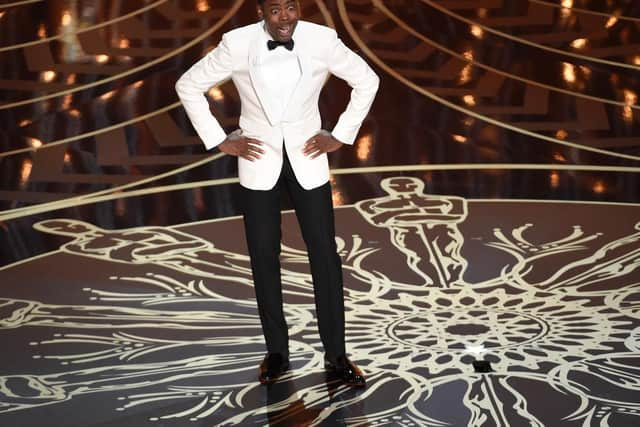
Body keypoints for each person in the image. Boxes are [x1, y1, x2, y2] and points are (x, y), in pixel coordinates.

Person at [175, 0, 379, 387]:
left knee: (324, 254)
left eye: (291, 7)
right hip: (258, 158)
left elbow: (367, 80)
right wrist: (219, 139)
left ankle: (337, 356)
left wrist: (341, 133)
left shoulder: (322, 39)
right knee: (263, 256)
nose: (285, 17)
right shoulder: (236, 44)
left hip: (308, 157)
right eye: (275, 9)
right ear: (260, 11)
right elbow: (188, 85)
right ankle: (277, 353)